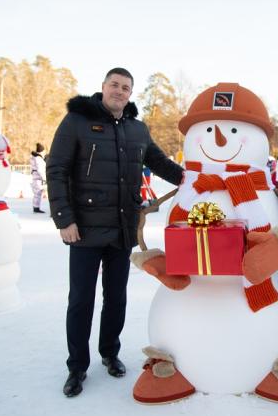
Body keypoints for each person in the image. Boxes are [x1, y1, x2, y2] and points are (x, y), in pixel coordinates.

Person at [46, 67, 184, 397]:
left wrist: (193, 178)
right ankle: (77, 366)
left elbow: (160, 162)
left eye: (125, 87)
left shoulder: (137, 129)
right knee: (81, 299)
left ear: (131, 94)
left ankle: (110, 352)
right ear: (103, 87)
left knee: (116, 297)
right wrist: (64, 219)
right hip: (84, 230)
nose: (119, 91)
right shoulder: (76, 121)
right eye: (114, 85)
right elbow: (57, 168)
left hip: (122, 228)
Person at [30, 142, 47, 213]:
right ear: (41, 151)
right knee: (38, 193)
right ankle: (36, 208)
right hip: (38, 178)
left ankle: (36, 207)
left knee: (37, 193)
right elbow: (41, 170)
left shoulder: (35, 157)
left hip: (36, 177)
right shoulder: (38, 158)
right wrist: (44, 178)